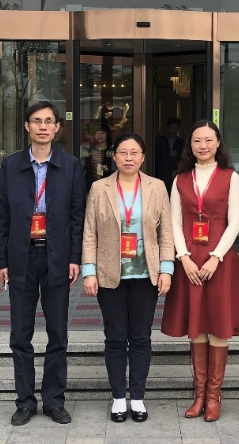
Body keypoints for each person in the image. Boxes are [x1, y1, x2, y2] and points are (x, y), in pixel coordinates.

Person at [0, 101, 86, 427]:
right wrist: (1, 260)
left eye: (48, 121)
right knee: (20, 334)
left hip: (57, 256)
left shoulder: (70, 165)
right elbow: (1, 215)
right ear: (27, 126)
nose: (43, 126)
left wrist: (75, 257)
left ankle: (54, 401)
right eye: (37, 121)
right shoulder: (11, 165)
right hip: (21, 257)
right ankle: (25, 402)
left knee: (58, 333)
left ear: (58, 127)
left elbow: (78, 216)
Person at [161, 120, 239, 423]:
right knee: (197, 326)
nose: (203, 145)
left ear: (218, 143)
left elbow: (235, 222)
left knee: (218, 325)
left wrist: (215, 257)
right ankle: (199, 395)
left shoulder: (230, 177)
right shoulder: (180, 179)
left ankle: (214, 395)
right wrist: (183, 258)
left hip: (220, 261)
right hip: (188, 260)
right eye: (197, 140)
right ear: (190, 145)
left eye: (208, 140)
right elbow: (174, 222)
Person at [81, 133, 175, 423]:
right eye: (123, 152)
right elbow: (90, 232)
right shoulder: (99, 188)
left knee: (141, 337)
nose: (129, 158)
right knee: (115, 338)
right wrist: (89, 271)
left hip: (146, 274)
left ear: (143, 157)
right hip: (110, 275)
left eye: (135, 152)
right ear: (114, 156)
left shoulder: (157, 187)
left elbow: (166, 232)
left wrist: (167, 269)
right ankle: (119, 398)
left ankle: (138, 397)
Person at [153, 116, 183, 189]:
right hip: (161, 173)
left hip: (176, 174)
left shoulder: (182, 143)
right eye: (171, 128)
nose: (173, 131)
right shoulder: (159, 141)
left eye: (175, 128)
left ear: (179, 129)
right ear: (167, 128)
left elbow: (183, 159)